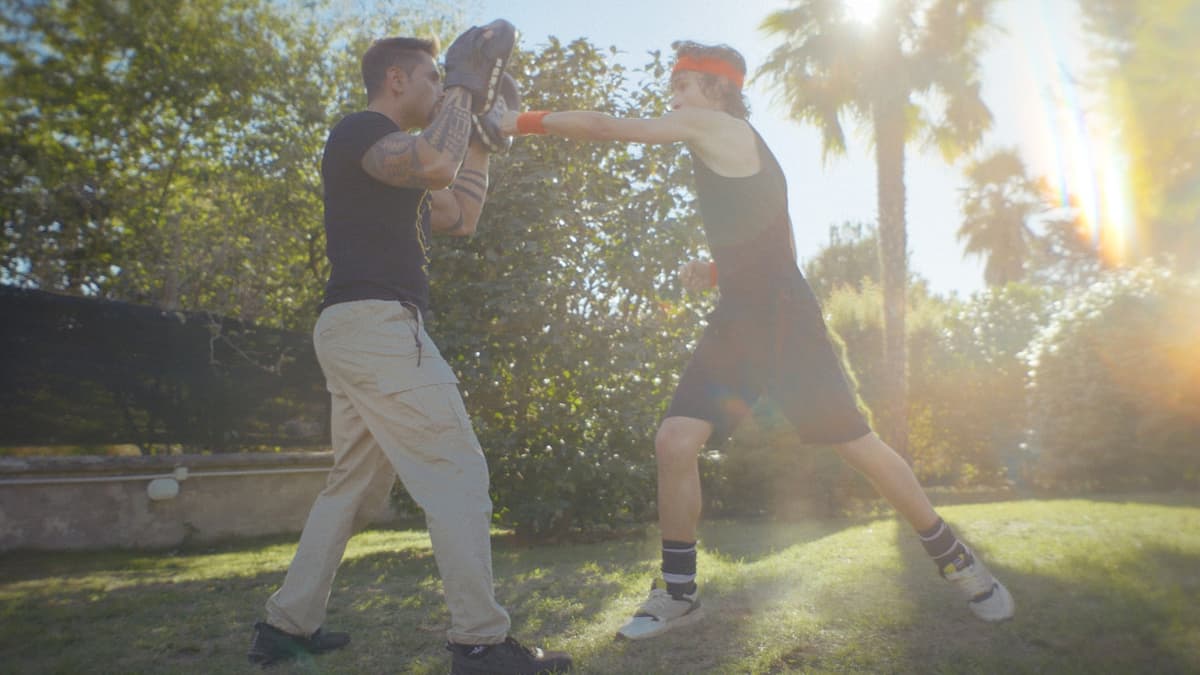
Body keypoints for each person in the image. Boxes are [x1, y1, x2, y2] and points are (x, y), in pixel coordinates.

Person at [501, 40, 1014, 640]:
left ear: (718, 90)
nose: (674, 97)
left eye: (683, 85)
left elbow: (606, 126)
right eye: (673, 87)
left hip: (785, 318)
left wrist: (514, 121)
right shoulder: (743, 147)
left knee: (855, 444)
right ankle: (679, 593)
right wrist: (721, 270)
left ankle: (957, 559)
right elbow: (782, 242)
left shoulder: (713, 124)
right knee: (675, 440)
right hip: (742, 314)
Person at [247, 22, 572, 674]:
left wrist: (481, 139)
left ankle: (286, 625)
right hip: (377, 327)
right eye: (432, 77)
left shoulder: (400, 171)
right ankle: (479, 644)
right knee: (457, 471)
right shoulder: (361, 132)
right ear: (396, 80)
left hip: (360, 330)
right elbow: (432, 163)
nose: (442, 87)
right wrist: (465, 88)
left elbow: (460, 215)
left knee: (353, 489)